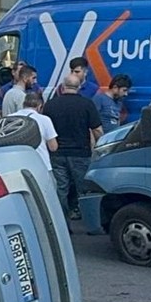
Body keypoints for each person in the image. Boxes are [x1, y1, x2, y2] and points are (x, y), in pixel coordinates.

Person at [42, 74, 102, 219]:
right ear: (79, 87)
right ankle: (90, 222)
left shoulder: (50, 105)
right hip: (81, 153)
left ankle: (63, 222)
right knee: (84, 189)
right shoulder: (87, 104)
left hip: (57, 153)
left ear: (62, 87)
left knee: (61, 189)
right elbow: (97, 130)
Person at [9, 93, 58, 172]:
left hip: (17, 165)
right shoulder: (45, 119)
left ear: (23, 104)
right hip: (41, 164)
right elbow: (53, 147)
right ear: (40, 106)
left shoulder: (10, 118)